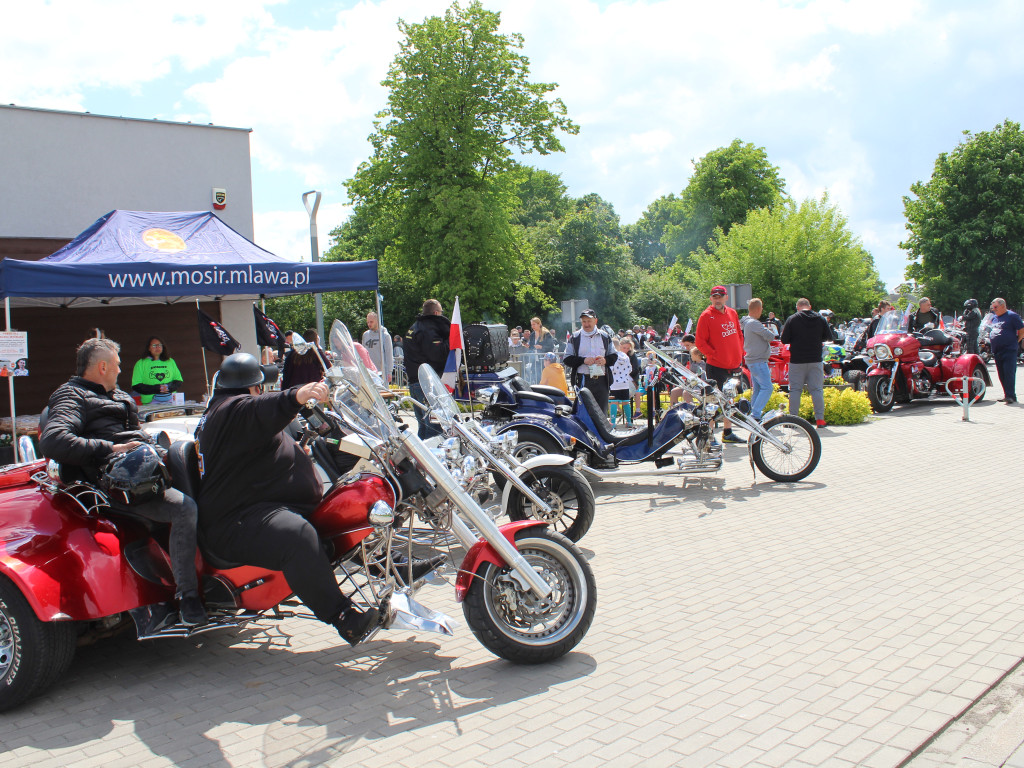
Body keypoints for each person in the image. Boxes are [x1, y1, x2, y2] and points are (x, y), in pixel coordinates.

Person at [195, 354, 383, 646]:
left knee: (343, 507)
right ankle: (344, 617)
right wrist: (297, 394)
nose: (263, 391)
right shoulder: (230, 410)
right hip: (235, 521)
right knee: (297, 536)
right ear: (252, 387)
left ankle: (389, 565)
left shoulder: (229, 412)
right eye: (261, 386)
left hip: (259, 505)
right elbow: (261, 407)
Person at [40, 338, 206, 626]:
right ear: (102, 367)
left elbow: (135, 434)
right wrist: (110, 448)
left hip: (143, 470)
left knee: (204, 480)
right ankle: (188, 596)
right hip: (114, 485)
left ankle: (218, 573)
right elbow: (54, 440)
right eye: (117, 365)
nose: (120, 370)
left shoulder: (120, 396)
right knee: (184, 508)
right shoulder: (71, 395)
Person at [695, 286, 745, 443]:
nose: (718, 299)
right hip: (717, 366)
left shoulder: (732, 313)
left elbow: (739, 334)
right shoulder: (706, 316)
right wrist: (714, 355)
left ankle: (728, 433)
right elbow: (700, 342)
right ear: (711, 298)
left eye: (720, 296)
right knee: (714, 402)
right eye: (715, 297)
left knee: (730, 400)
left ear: (726, 297)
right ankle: (709, 435)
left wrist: (739, 352)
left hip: (734, 364)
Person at [781, 298, 833, 428]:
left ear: (798, 307)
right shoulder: (820, 319)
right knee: (816, 390)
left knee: (795, 390)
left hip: (797, 361)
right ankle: (820, 420)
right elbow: (829, 337)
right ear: (810, 306)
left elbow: (784, 339)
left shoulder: (792, 319)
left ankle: (793, 420)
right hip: (815, 360)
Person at [404, 299, 451, 438]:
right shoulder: (429, 329)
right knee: (434, 429)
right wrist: (451, 341)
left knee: (424, 427)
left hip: (415, 382)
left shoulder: (414, 327)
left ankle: (421, 452)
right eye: (441, 312)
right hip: (427, 384)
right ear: (436, 313)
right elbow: (437, 354)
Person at [563, 309, 618, 415]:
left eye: (589, 321)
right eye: (584, 321)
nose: (586, 324)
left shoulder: (605, 336)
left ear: (595, 321)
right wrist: (583, 360)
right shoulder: (575, 337)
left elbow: (614, 356)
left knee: (602, 414)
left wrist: (605, 360)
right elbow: (567, 359)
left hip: (602, 380)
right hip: (583, 379)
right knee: (583, 413)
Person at [741, 298, 776, 421]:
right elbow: (770, 336)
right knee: (767, 388)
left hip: (753, 360)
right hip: (758, 360)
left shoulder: (746, 322)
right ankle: (755, 415)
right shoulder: (754, 323)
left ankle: (753, 414)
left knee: (758, 389)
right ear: (758, 309)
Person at [987, 298, 1024, 403]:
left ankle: (1010, 395)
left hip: (1009, 349)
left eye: (995, 307)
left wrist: (1016, 341)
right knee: (1001, 374)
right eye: (992, 307)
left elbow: (1022, 330)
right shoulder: (995, 317)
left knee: (1009, 372)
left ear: (1003, 306)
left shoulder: (1012, 316)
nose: (994, 309)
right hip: (997, 350)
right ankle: (1007, 394)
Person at [131, 336, 183, 405]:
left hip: (171, 401)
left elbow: (178, 381)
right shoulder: (141, 363)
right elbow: (136, 385)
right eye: (154, 345)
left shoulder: (170, 361)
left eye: (160, 345)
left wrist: (168, 387)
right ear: (149, 348)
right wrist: (157, 388)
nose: (157, 347)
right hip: (150, 403)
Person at [608, 338, 640, 422]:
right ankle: (629, 422)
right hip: (625, 383)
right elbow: (630, 369)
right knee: (626, 402)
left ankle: (612, 422)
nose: (626, 350)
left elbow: (611, 369)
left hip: (615, 383)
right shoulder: (626, 357)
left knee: (613, 402)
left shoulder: (612, 357)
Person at [361, 312, 393, 386]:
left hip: (382, 372)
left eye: (371, 322)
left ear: (377, 321)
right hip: (369, 371)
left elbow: (389, 354)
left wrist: (389, 372)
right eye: (368, 322)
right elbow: (363, 353)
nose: (369, 324)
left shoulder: (385, 335)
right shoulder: (365, 335)